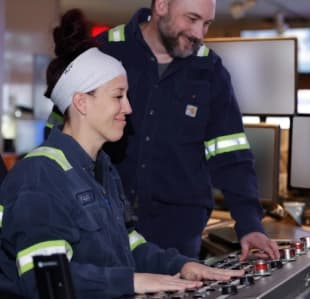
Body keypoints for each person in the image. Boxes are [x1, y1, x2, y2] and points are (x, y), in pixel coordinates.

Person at [0, 9, 245, 299]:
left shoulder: (103, 169)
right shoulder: (40, 176)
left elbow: (129, 245)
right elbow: (45, 281)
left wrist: (181, 264)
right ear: (81, 102)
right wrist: (131, 281)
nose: (128, 108)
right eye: (118, 96)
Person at [47, 0, 279, 259]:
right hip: (103, 224)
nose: (199, 33)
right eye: (191, 19)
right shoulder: (103, 51)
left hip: (178, 233)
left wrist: (250, 225)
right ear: (161, 6)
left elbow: (231, 156)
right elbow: (61, 136)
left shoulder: (210, 71)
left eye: (207, 24)